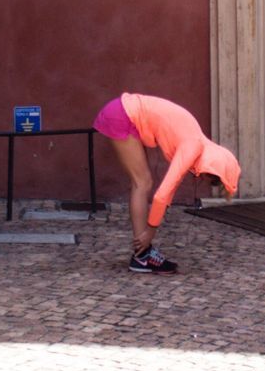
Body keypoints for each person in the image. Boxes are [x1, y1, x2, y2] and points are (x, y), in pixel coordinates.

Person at [92, 91, 240, 274]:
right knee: (142, 182)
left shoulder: (199, 141)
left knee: (142, 181)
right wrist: (150, 232)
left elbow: (169, 189)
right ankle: (142, 255)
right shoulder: (193, 146)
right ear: (211, 167)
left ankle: (142, 253)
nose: (201, 178)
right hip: (122, 114)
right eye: (208, 177)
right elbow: (163, 194)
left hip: (123, 111)